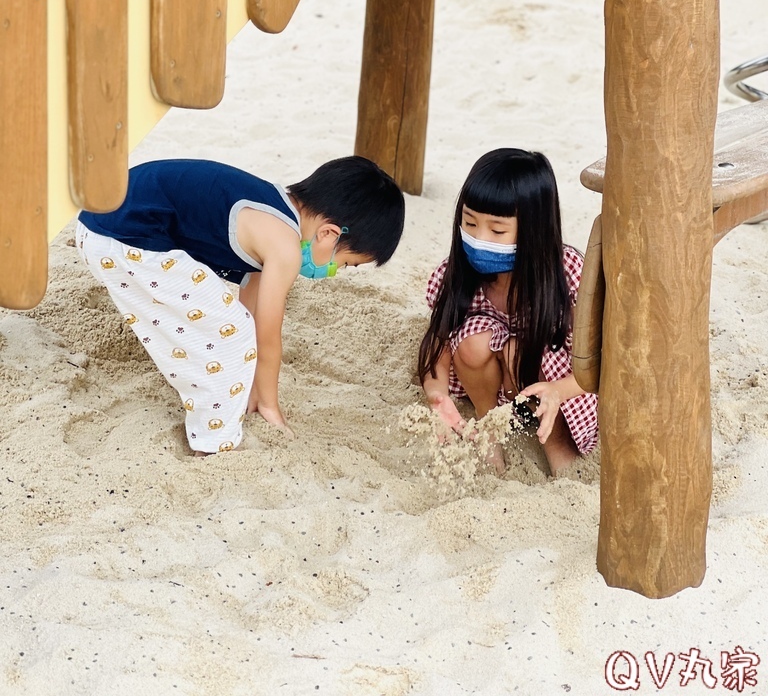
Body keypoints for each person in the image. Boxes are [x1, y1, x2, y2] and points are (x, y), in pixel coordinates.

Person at [76, 156, 405, 455]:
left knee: (232, 324)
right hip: (126, 238)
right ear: (329, 234)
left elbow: (250, 308)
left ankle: (228, 402)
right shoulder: (285, 246)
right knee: (231, 333)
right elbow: (267, 334)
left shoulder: (273, 208)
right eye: (345, 263)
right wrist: (270, 404)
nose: (334, 272)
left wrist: (246, 384)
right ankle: (213, 441)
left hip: (102, 221)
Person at [418, 148, 598, 476]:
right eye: (469, 223)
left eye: (497, 231)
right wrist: (436, 394)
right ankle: (491, 430)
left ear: (534, 231)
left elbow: (601, 356)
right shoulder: (457, 272)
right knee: (472, 340)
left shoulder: (567, 274)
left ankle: (558, 449)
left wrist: (558, 391)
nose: (478, 238)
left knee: (518, 350)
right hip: (492, 385)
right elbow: (439, 341)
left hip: (561, 387)